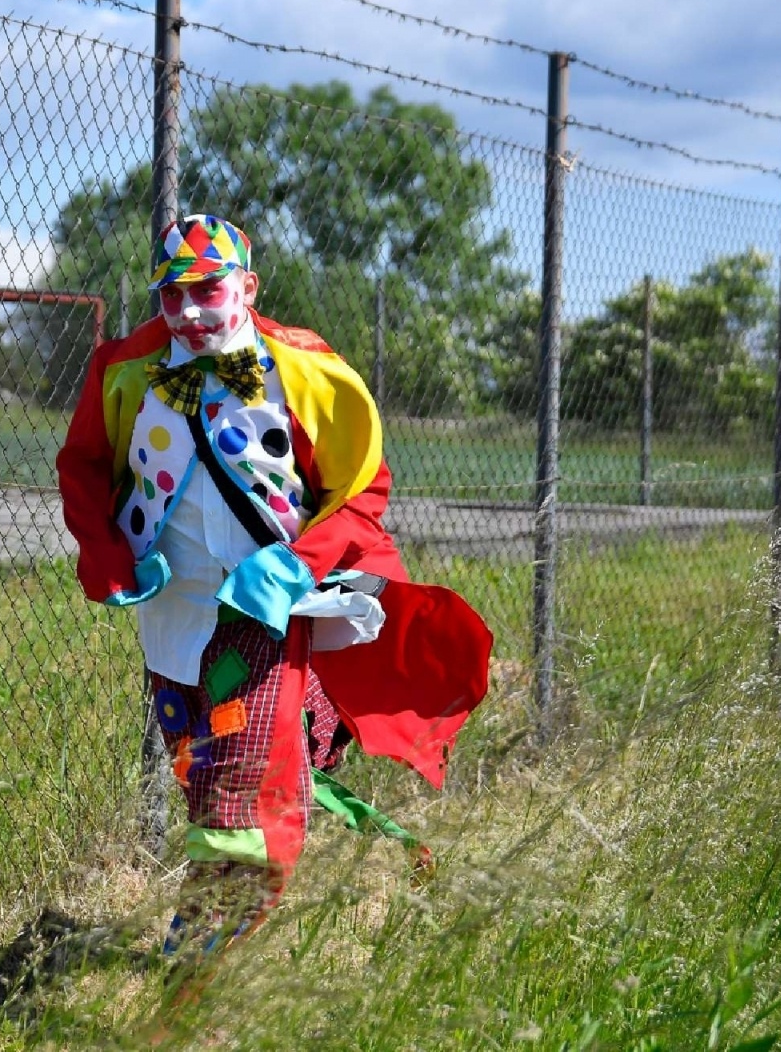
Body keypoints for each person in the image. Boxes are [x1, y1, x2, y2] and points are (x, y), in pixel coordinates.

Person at [56, 213, 493, 952]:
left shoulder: (304, 367)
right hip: (168, 618)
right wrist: (109, 560)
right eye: (173, 295)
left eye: (209, 290)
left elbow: (362, 487)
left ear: (248, 286)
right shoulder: (125, 369)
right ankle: (228, 917)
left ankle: (199, 955)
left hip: (262, 617)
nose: (190, 311)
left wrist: (293, 566)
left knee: (240, 787)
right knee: (202, 775)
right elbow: (84, 466)